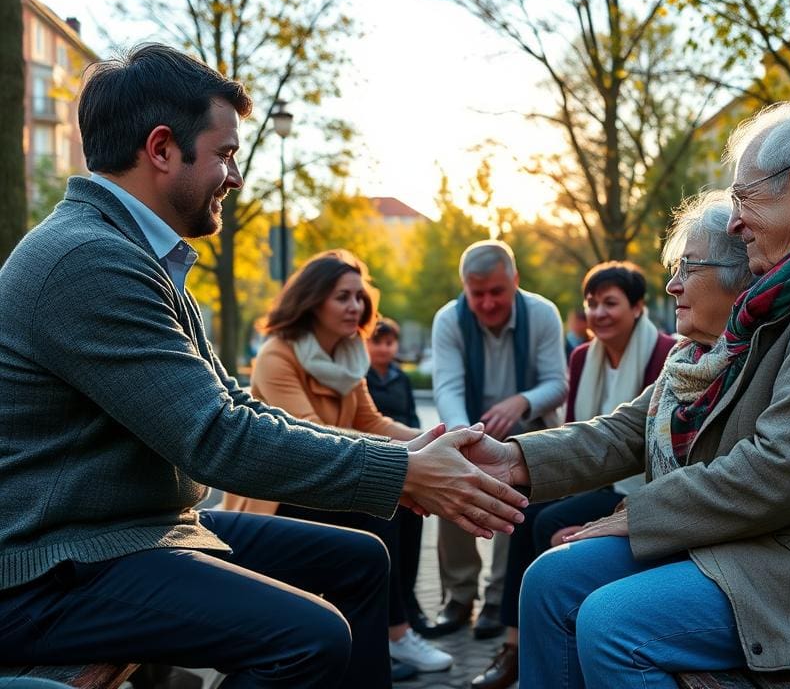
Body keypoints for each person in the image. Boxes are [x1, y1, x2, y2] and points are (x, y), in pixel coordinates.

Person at [0, 44, 527, 689]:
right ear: (162, 149)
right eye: (224, 154)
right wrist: (403, 473)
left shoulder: (135, 252)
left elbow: (236, 408)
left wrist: (414, 453)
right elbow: (215, 440)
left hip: (137, 534)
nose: (235, 177)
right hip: (52, 567)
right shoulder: (88, 260)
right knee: (308, 639)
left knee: (361, 559)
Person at [465, 100, 790, 689]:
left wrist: (633, 516)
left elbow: (782, 473)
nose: (736, 221)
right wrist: (515, 459)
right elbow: (631, 427)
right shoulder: (785, 298)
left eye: (745, 197)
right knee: (551, 582)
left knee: (614, 623)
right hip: (764, 548)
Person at [221, 252, 453, 679]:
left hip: (335, 473)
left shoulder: (348, 356)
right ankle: (394, 634)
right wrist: (408, 455)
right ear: (312, 302)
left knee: (409, 495)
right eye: (342, 297)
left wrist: (436, 439)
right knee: (380, 501)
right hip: (282, 491)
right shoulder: (278, 354)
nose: (356, 307)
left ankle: (397, 625)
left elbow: (371, 422)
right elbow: (308, 434)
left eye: (359, 297)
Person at [470, 261, 679, 689]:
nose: (598, 313)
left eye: (611, 303)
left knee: (545, 521)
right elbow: (576, 428)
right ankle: (514, 643)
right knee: (525, 508)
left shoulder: (664, 353)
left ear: (638, 307)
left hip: (634, 485)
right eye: (592, 304)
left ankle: (530, 647)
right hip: (592, 474)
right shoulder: (583, 356)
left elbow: (637, 441)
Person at [430, 239, 568, 639]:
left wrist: (519, 403)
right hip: (467, 427)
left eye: (497, 292)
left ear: (515, 280)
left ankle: (497, 600)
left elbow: (557, 383)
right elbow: (447, 389)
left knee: (514, 510)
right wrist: (462, 437)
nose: (488, 303)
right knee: (448, 489)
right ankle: (458, 597)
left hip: (530, 429)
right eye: (477, 294)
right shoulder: (448, 321)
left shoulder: (542, 314)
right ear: (464, 289)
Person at [365, 317, 433, 638]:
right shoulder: (360, 378)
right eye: (377, 341)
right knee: (388, 539)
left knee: (413, 533)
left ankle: (410, 601)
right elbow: (370, 423)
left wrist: (427, 439)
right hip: (382, 463)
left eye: (389, 342)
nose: (383, 348)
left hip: (411, 458)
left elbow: (412, 416)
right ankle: (394, 613)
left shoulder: (401, 378)